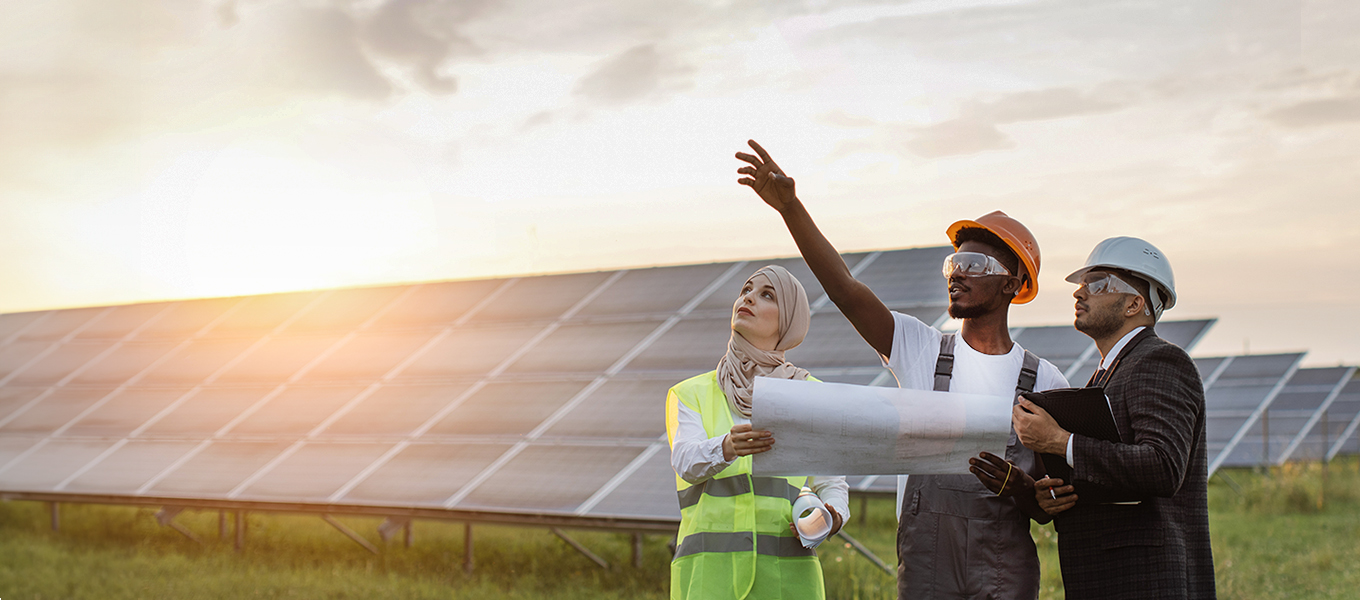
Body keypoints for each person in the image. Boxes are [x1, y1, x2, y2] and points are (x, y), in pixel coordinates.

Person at [735, 140, 1068, 600]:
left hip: (1003, 569)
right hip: (927, 562)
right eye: (953, 263)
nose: (957, 273)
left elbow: (1049, 504)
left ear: (1012, 283)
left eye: (975, 264)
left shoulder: (1046, 381)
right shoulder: (920, 348)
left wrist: (1023, 487)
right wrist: (791, 208)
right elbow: (845, 290)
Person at [1013, 237, 1216, 599]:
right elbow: (1113, 477)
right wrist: (1061, 489)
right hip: (1111, 578)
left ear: (1134, 304)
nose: (1080, 294)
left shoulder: (1160, 361)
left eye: (1098, 284)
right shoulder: (1110, 373)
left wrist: (1059, 441)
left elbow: (1162, 466)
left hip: (1146, 582)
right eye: (1081, 285)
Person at [667, 264, 850, 600]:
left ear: (790, 320)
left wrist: (832, 516)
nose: (748, 298)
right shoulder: (691, 392)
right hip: (710, 580)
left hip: (788, 581)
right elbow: (685, 461)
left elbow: (831, 482)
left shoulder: (812, 394)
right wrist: (726, 446)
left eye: (767, 295)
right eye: (746, 290)